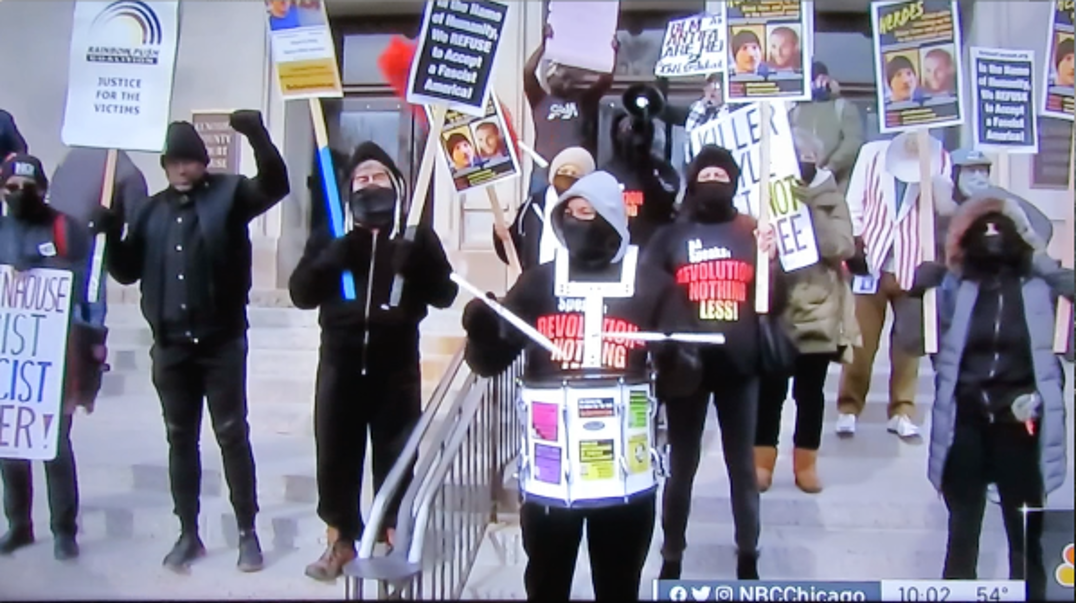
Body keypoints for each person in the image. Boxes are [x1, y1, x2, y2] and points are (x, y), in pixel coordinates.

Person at [461, 170, 701, 601]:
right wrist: (481, 331)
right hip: (552, 478)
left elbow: (685, 380)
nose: (578, 220)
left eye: (589, 213)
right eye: (569, 213)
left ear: (612, 219)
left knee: (618, 586)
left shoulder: (652, 283)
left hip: (625, 479)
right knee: (546, 585)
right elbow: (489, 362)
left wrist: (674, 358)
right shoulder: (538, 282)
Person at [96, 110, 289, 573]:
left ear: (203, 162)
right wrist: (108, 234)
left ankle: (247, 532)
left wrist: (257, 134)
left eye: (189, 161)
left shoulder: (230, 194)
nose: (182, 170)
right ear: (165, 166)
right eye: (173, 162)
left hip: (221, 344)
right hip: (171, 348)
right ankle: (189, 532)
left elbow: (276, 183)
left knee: (230, 434)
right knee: (179, 438)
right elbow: (127, 270)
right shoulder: (149, 210)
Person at [288, 142, 457, 580]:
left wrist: (418, 264)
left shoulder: (416, 233)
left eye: (378, 176)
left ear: (397, 186)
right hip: (340, 363)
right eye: (361, 178)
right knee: (335, 455)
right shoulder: (332, 234)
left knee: (397, 453)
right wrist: (331, 259)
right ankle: (340, 540)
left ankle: (395, 536)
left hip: (395, 364)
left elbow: (445, 294)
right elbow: (300, 293)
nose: (369, 183)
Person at [910, 193, 1073, 603]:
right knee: (962, 530)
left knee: (1026, 533)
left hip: (1021, 423)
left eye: (1003, 231)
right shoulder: (954, 287)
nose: (992, 239)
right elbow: (917, 342)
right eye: (983, 231)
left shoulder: (1040, 288)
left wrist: (1057, 277)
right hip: (966, 420)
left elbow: (1068, 345)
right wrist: (918, 295)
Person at [644, 145, 781, 581]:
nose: (714, 184)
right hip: (686, 368)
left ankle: (747, 554)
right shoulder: (670, 236)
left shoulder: (752, 232)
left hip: (740, 367)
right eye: (707, 176)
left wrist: (772, 263)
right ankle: (671, 555)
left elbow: (774, 302)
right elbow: (647, 292)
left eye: (723, 177)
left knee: (742, 466)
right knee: (681, 466)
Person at [0, 154, 104, 560]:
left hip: (56, 355)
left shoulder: (65, 228)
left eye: (29, 188)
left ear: (43, 189)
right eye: (12, 188)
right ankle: (19, 525)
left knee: (55, 443)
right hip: (11, 356)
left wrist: (97, 340)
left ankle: (64, 530)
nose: (21, 195)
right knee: (10, 443)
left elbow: (89, 287)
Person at [754, 131, 859, 495]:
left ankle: (806, 464)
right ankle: (762, 462)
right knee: (771, 391)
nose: (801, 161)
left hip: (819, 309)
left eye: (806, 156)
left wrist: (810, 207)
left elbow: (841, 246)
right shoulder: (767, 195)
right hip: (777, 310)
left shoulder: (831, 199)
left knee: (809, 394)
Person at [837, 134, 952, 439]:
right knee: (860, 341)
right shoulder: (871, 152)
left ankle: (902, 410)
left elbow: (944, 210)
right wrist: (855, 244)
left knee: (908, 346)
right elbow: (855, 201)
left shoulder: (939, 156)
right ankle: (849, 407)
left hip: (913, 266)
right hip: (872, 262)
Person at [523, 23, 616, 195]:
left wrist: (612, 53)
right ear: (548, 80)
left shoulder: (583, 101)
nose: (563, 79)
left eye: (567, 76)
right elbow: (528, 72)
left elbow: (606, 81)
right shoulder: (539, 99)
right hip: (543, 171)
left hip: (575, 172)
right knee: (537, 213)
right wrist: (543, 45)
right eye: (557, 74)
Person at [492, 146, 595, 271]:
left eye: (574, 173)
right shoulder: (533, 206)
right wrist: (501, 237)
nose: (567, 177)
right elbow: (516, 251)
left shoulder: (593, 208)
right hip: (538, 283)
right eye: (563, 171)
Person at [601, 104, 680, 250]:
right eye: (625, 129)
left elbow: (669, 198)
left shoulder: (661, 170)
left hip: (653, 248)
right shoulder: (604, 174)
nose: (632, 134)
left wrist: (648, 175)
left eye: (637, 129)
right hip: (616, 248)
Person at [789, 62, 865, 193]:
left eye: (822, 79)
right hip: (801, 184)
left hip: (836, 185)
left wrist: (831, 167)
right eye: (813, 80)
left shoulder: (842, 107)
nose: (818, 84)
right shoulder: (796, 111)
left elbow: (853, 142)